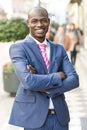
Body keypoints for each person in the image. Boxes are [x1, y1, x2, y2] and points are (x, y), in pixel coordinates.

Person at [9, 7, 79, 130]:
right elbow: (28, 81)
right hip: (34, 118)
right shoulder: (19, 48)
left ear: (48, 21)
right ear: (28, 23)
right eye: (34, 21)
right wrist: (58, 76)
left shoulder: (59, 48)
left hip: (60, 118)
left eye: (43, 20)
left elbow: (74, 80)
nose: (39, 25)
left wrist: (49, 90)